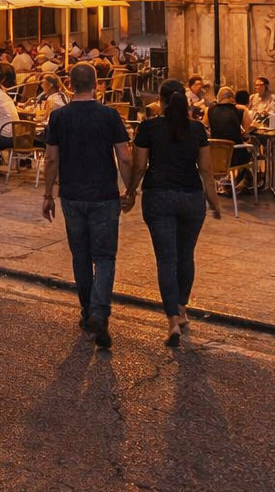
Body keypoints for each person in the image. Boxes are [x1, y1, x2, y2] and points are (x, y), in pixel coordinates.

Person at [42, 62, 131, 349]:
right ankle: (99, 312)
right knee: (104, 257)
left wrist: (47, 194)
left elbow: (51, 158)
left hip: (71, 194)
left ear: (70, 83)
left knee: (80, 255)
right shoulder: (109, 115)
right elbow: (125, 157)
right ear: (96, 84)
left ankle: (87, 311)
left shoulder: (58, 117)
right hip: (104, 195)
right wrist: (131, 189)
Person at [126, 81, 222, 346]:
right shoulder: (197, 129)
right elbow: (206, 170)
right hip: (191, 197)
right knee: (186, 254)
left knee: (166, 260)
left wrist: (131, 192)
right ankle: (181, 309)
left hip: (159, 196)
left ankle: (172, 323)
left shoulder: (148, 128)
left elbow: (140, 166)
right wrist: (213, 201)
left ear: (161, 101)